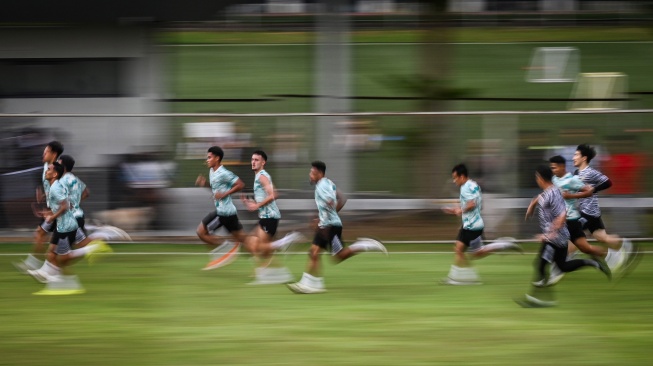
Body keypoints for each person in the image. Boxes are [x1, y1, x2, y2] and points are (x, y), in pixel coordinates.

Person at [286, 161, 387, 294]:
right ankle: (311, 284)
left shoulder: (322, 186)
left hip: (330, 227)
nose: (310, 175)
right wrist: (325, 217)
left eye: (312, 173)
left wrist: (326, 219)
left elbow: (330, 201)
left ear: (320, 173)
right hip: (327, 224)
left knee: (338, 256)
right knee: (313, 252)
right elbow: (342, 198)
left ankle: (365, 244)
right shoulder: (328, 183)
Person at [517, 165, 611, 308]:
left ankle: (536, 299)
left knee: (541, 265)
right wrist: (532, 205)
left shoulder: (553, 194)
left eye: (537, 177)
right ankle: (593, 263)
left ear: (541, 178)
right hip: (556, 237)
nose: (536, 180)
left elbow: (562, 215)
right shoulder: (549, 192)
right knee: (563, 266)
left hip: (555, 238)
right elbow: (541, 197)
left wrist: (550, 233)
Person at [27, 162, 110, 294]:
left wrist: (52, 217)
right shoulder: (56, 186)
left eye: (49, 169)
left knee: (63, 257)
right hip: (63, 224)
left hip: (66, 226)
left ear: (55, 174)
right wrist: (48, 214)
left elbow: (65, 207)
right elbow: (64, 206)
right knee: (52, 254)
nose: (46, 171)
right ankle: (57, 280)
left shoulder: (56, 188)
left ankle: (93, 247)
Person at [440, 163, 522, 285]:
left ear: (462, 176)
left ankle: (502, 244)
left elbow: (472, 204)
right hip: (470, 224)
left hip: (472, 226)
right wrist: (454, 210)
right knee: (459, 249)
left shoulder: (465, 187)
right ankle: (458, 278)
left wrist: (460, 210)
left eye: (455, 178)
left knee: (477, 253)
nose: (454, 181)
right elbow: (477, 205)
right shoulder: (474, 185)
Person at [547, 155, 621, 285]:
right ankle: (558, 269)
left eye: (554, 167)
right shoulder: (554, 179)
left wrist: (571, 195)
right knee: (582, 248)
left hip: (571, 219)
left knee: (578, 248)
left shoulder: (572, 180)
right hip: (561, 220)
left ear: (562, 167)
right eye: (551, 168)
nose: (552, 170)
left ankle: (609, 254)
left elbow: (589, 192)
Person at [571, 144, 638, 271]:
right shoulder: (576, 173)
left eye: (576, 155)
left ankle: (565, 261)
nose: (573, 157)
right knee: (601, 237)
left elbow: (608, 182)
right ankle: (625, 244)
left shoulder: (591, 172)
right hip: (589, 211)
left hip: (588, 212)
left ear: (584, 158)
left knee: (573, 235)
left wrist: (594, 189)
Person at [241, 150, 302, 284]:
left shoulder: (262, 176)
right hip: (266, 217)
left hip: (269, 217)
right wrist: (251, 204)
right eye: (252, 159)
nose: (253, 162)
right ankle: (274, 274)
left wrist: (257, 206)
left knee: (261, 248)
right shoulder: (262, 176)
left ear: (263, 162)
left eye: (257, 160)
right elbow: (268, 194)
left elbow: (274, 194)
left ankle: (285, 242)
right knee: (252, 243)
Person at [195, 146, 253, 270]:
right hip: (228, 213)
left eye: (210, 157)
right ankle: (263, 261)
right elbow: (216, 192)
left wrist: (224, 194)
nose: (207, 160)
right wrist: (205, 184)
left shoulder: (224, 173)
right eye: (207, 157)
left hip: (223, 213)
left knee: (201, 232)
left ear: (217, 158)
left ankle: (227, 247)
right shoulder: (212, 172)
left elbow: (240, 184)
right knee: (244, 240)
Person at [13, 140, 63, 273]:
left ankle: (40, 267)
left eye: (46, 152)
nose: (43, 154)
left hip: (58, 211)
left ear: (54, 153)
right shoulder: (47, 166)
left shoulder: (57, 169)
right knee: (40, 234)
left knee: (45, 237)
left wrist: (49, 211)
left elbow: (60, 193)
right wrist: (41, 194)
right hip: (52, 209)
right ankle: (37, 265)